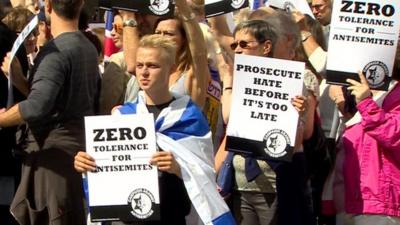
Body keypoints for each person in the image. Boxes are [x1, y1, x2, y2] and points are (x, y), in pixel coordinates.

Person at [75, 34, 235, 225]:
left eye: (152, 66)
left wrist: (178, 168)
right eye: (140, 65)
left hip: (172, 214)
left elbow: (204, 172)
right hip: (131, 219)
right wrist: (88, 165)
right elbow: (110, 174)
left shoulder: (189, 116)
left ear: (171, 69)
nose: (144, 72)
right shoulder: (123, 117)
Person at [0, 0, 99, 224]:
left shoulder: (56, 51)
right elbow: (55, 101)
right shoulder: (87, 47)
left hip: (52, 160)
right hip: (70, 155)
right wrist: (20, 81)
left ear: (49, 6)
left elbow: (36, 107)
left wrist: (2, 119)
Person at [215, 19, 311, 225]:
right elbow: (229, 119)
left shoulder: (290, 82)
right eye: (234, 45)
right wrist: (229, 83)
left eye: (244, 44)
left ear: (266, 46)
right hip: (241, 184)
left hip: (274, 185)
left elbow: (296, 143)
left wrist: (298, 115)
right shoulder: (238, 79)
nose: (237, 50)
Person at [331, 44, 400, 225]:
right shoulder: (371, 92)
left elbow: (395, 135)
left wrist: (366, 102)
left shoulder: (394, 93)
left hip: (382, 203)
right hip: (355, 200)